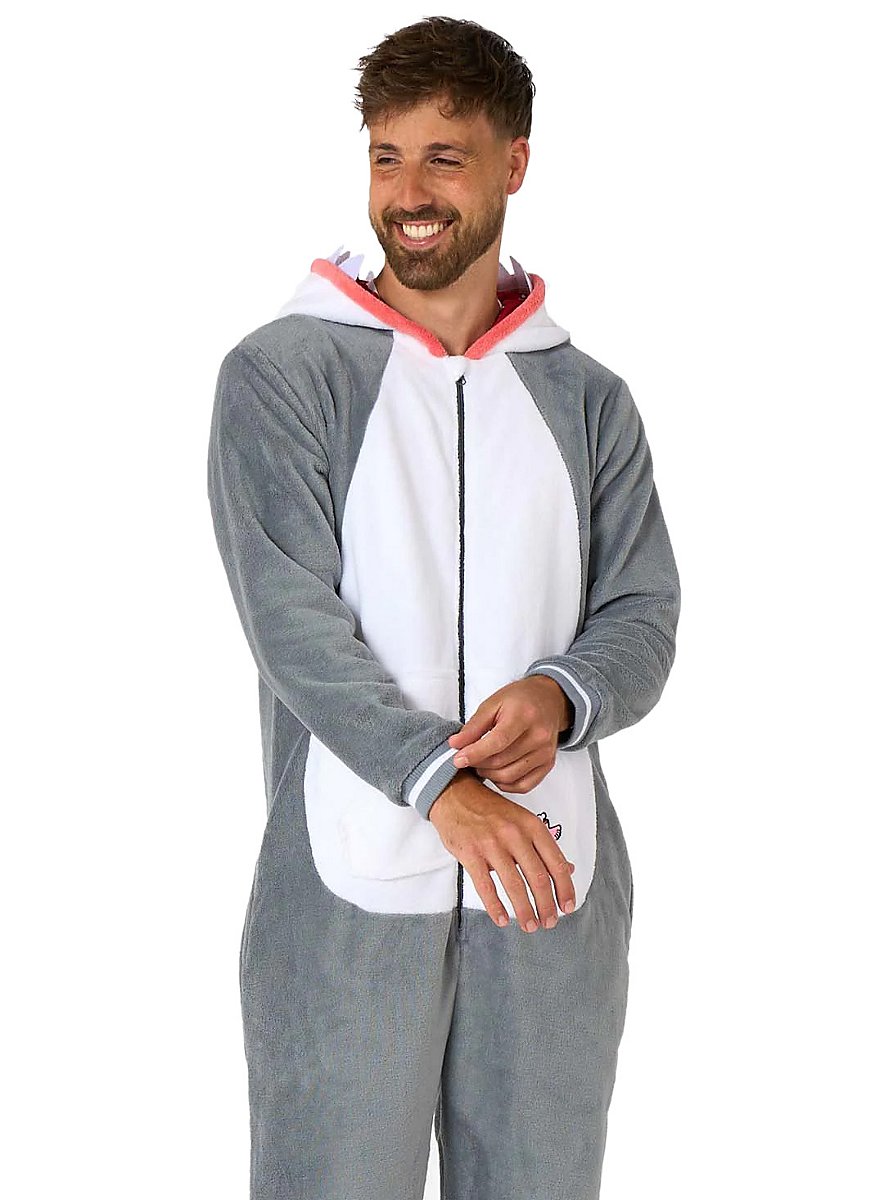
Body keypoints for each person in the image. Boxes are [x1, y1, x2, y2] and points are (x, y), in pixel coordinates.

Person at [206, 15, 680, 1200]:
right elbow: (290, 622)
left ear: (514, 163)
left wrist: (563, 697)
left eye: (443, 158)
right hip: (344, 892)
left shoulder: (590, 400)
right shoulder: (283, 375)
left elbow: (643, 611)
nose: (408, 195)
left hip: (551, 888)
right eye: (386, 157)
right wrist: (440, 785)